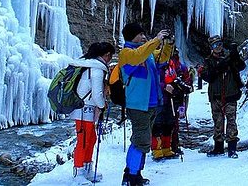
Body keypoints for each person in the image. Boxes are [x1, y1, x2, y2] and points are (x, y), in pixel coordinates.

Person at [119, 23, 170, 186]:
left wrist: (168, 45)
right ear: (131, 36)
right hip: (138, 105)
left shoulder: (146, 52)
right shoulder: (126, 53)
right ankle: (132, 177)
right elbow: (138, 56)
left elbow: (161, 58)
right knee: (142, 141)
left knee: (140, 140)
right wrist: (156, 40)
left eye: (144, 34)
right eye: (140, 34)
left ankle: (133, 173)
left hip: (150, 104)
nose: (143, 37)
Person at [70, 41, 115, 182]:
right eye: (110, 56)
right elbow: (97, 94)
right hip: (84, 109)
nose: (110, 60)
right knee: (83, 140)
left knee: (91, 138)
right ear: (107, 55)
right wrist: (102, 105)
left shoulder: (91, 66)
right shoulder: (96, 70)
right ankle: (79, 173)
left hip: (86, 109)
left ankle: (87, 167)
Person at [201, 35, 246, 158]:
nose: (218, 47)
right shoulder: (208, 61)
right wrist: (217, 69)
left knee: (231, 121)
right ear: (211, 47)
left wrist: (235, 56)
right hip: (216, 96)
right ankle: (218, 147)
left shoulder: (229, 57)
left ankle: (232, 148)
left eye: (220, 44)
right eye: (215, 45)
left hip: (230, 94)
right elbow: (206, 76)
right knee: (218, 122)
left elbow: (241, 66)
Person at [164, 47, 193, 155]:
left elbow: (188, 81)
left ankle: (172, 145)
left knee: (173, 123)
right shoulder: (168, 66)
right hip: (171, 97)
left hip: (177, 98)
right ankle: (170, 145)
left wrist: (185, 86)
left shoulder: (180, 67)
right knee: (171, 123)